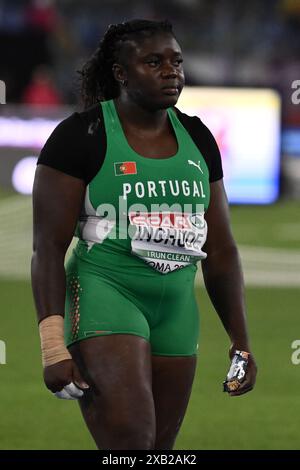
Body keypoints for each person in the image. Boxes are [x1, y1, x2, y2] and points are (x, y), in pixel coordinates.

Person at [31, 19, 257, 451]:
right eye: (154, 62)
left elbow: (222, 249)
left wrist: (241, 344)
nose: (171, 71)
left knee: (159, 453)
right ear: (121, 73)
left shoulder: (197, 137)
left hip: (175, 307)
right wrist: (52, 346)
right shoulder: (80, 137)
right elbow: (47, 249)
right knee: (131, 443)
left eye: (176, 61)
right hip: (105, 294)